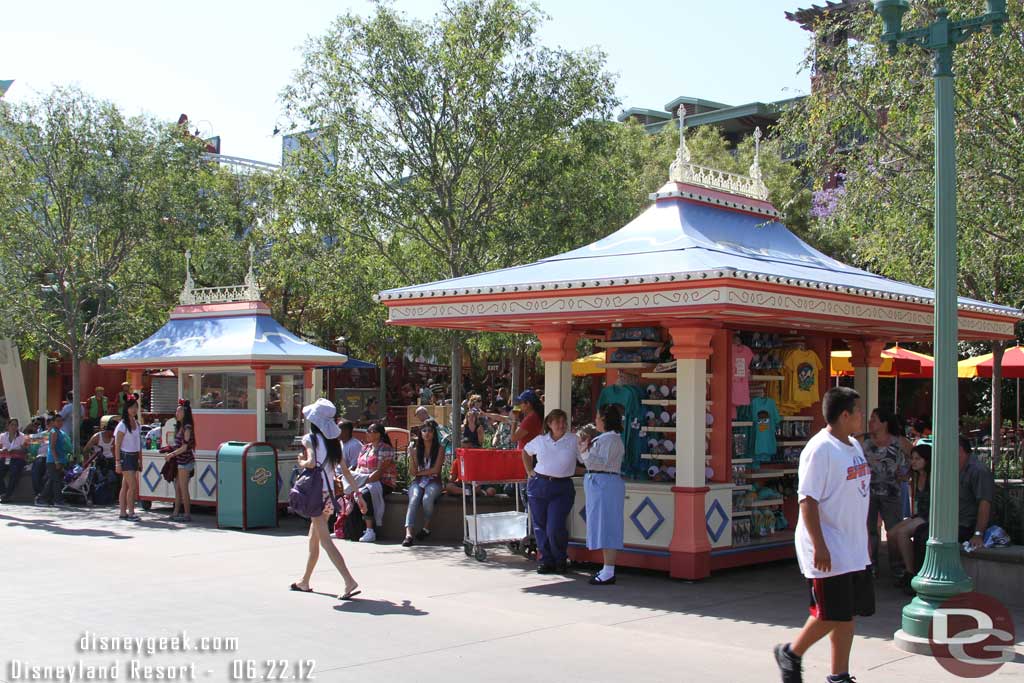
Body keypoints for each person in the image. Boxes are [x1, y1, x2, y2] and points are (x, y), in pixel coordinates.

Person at [775, 387, 873, 683]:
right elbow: (807, 500)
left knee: (847, 613)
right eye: (858, 411)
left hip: (852, 547)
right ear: (845, 415)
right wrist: (819, 545)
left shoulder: (854, 445)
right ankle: (791, 653)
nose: (862, 416)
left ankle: (839, 675)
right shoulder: (819, 449)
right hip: (828, 546)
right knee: (829, 613)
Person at [291, 398, 365, 600]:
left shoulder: (310, 439)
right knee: (314, 539)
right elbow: (347, 472)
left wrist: (301, 461)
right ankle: (305, 581)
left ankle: (349, 581)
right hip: (329, 495)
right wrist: (358, 494)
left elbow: (311, 462)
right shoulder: (335, 443)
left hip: (315, 495)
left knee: (325, 541)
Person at [523, 409, 578, 574]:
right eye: (557, 422)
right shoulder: (541, 440)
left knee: (555, 526)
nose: (561, 425)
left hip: (562, 486)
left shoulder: (573, 440)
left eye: (563, 422)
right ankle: (546, 560)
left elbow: (585, 457)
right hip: (539, 484)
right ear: (549, 424)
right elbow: (525, 451)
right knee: (540, 525)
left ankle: (560, 559)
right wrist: (529, 471)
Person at [578, 405, 626, 585]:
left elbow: (599, 463)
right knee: (603, 524)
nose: (596, 420)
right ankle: (607, 568)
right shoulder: (607, 439)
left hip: (605, 484)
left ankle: (609, 569)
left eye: (598, 417)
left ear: (605, 419)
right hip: (602, 484)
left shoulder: (610, 440)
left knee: (607, 525)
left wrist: (584, 452)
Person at [860, 408, 906, 577]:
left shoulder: (898, 442)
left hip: (891, 492)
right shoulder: (864, 442)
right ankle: (871, 565)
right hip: (868, 492)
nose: (870, 422)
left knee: (894, 530)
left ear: (884, 423)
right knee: (869, 529)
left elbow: (914, 457)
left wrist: (905, 473)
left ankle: (897, 566)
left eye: (874, 419)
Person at [887, 444, 930, 591]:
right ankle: (903, 566)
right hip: (919, 514)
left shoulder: (933, 477)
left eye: (918, 459)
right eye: (912, 458)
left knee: (902, 533)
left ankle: (911, 573)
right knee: (891, 534)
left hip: (930, 516)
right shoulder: (916, 477)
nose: (913, 461)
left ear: (927, 460)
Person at [350, 423, 397, 543]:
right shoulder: (365, 448)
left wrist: (362, 481)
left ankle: (370, 530)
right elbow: (359, 467)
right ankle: (347, 528)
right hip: (365, 480)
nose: (367, 434)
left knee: (364, 494)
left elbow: (380, 472)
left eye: (370, 431)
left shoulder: (385, 448)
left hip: (382, 482)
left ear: (378, 434)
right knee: (349, 492)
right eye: (367, 431)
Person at [402, 418, 444, 546]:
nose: (427, 433)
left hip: (434, 481)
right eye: (424, 430)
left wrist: (420, 473)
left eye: (430, 431)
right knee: (414, 498)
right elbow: (412, 472)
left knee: (427, 497)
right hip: (418, 481)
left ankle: (426, 527)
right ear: (420, 433)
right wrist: (412, 456)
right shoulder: (416, 449)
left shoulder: (440, 449)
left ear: (434, 433)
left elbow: (436, 470)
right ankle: (408, 533)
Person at [165, 400, 196, 522]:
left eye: (179, 411)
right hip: (180, 462)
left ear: (185, 413)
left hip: (185, 462)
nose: (176, 413)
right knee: (178, 488)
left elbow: (184, 447)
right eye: (176, 411)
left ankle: (187, 514)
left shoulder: (187, 428)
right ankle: (176, 512)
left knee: (183, 488)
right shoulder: (180, 426)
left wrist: (172, 454)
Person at [114, 395, 143, 521]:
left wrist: (140, 459)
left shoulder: (137, 423)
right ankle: (131, 512)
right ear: (126, 409)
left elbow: (138, 443)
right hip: (125, 456)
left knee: (125, 486)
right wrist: (117, 462)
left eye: (135, 407)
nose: (134, 410)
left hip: (134, 456)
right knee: (132, 486)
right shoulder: (122, 425)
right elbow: (117, 444)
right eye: (131, 407)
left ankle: (122, 512)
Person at [38, 413, 72, 506]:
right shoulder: (54, 432)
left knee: (53, 480)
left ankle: (42, 499)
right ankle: (58, 500)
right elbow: (52, 447)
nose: (60, 423)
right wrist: (56, 461)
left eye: (61, 421)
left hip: (60, 459)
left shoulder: (60, 432)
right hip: (53, 460)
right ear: (53, 422)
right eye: (58, 421)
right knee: (56, 480)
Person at [0, 418, 28, 503]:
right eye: (12, 425)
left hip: (17, 458)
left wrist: (16, 451)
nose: (14, 427)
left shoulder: (22, 436)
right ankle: (3, 493)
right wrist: (2, 450)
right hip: (5, 457)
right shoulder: (2, 436)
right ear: (8, 426)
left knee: (14, 473)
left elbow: (25, 450)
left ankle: (8, 495)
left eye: (16, 425)